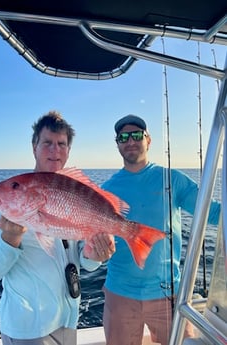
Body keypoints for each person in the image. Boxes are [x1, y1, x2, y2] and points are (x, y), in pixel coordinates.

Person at [0, 110, 115, 345]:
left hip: (67, 320)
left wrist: (94, 257)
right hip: (28, 329)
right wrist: (9, 240)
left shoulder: (73, 191)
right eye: (47, 143)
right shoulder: (7, 204)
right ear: (34, 147)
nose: (55, 150)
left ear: (69, 150)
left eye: (61, 144)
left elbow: (85, 264)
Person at [102, 114, 220, 345]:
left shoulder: (172, 179)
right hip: (120, 294)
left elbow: (211, 211)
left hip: (168, 292)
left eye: (136, 135)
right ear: (117, 144)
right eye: (123, 137)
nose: (130, 141)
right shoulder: (106, 189)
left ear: (148, 139)